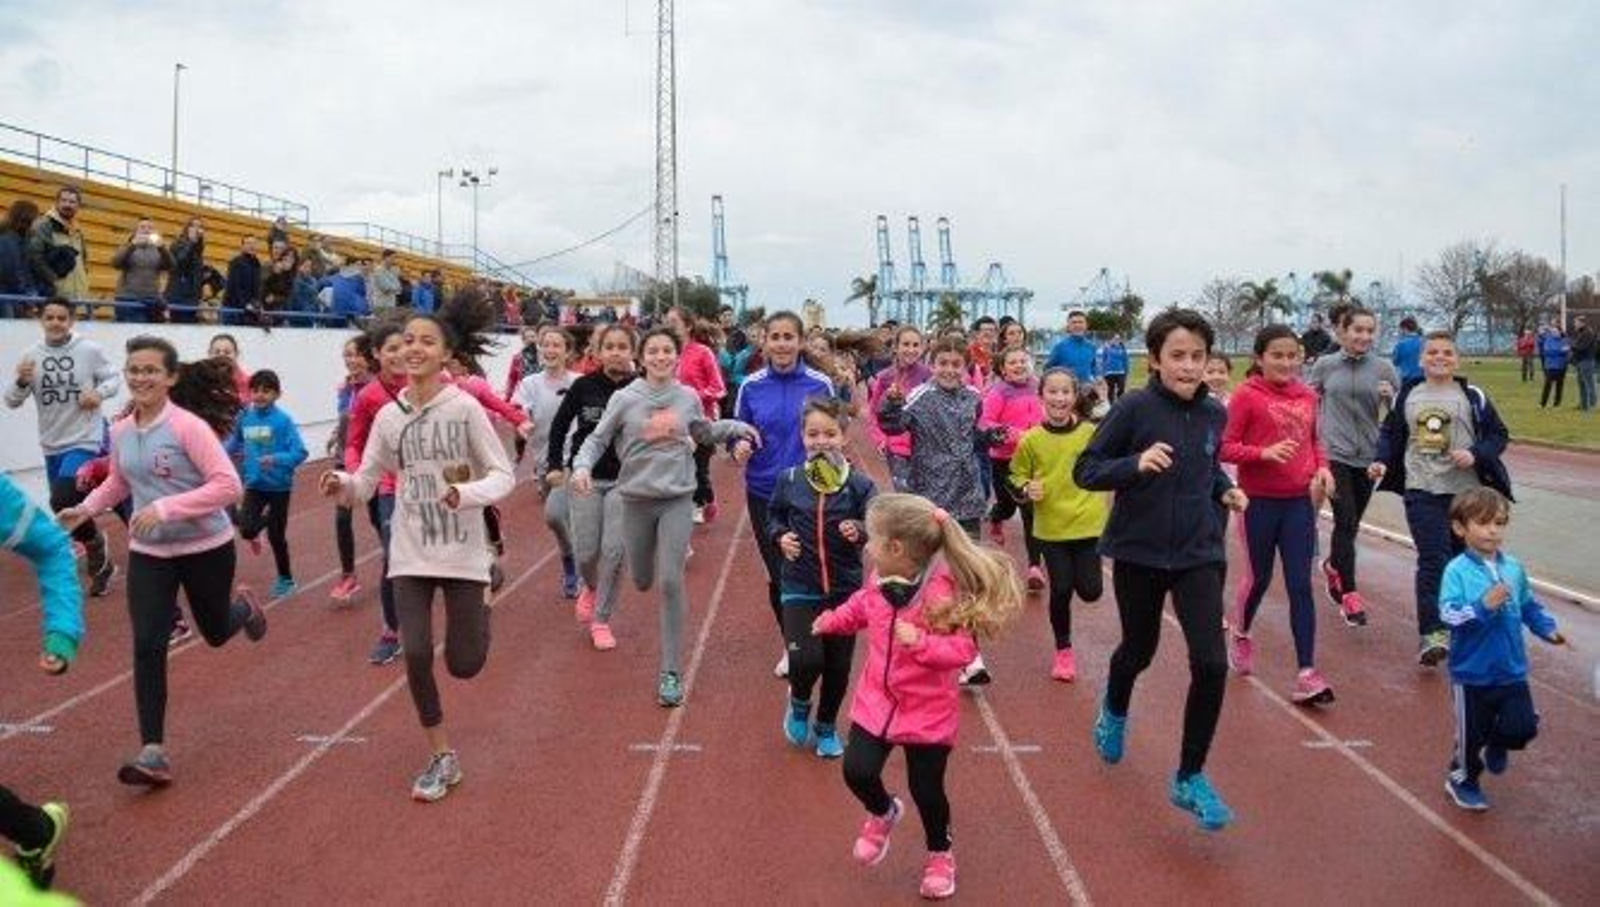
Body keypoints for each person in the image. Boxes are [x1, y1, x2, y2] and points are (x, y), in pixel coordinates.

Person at [320, 294, 515, 802]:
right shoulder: (388, 417)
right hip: (410, 551)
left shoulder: (466, 408)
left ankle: (486, 590)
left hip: (462, 552)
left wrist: (465, 494)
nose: (414, 349)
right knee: (417, 652)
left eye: (427, 341)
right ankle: (441, 755)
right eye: (407, 340)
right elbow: (366, 483)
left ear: (447, 354)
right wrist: (340, 483)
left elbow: (503, 474)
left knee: (465, 664)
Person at [60, 337, 268, 786]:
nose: (140, 378)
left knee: (214, 632)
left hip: (205, 547)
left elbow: (228, 486)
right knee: (148, 643)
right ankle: (153, 751)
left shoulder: (188, 427)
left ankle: (245, 609)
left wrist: (167, 508)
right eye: (134, 370)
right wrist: (87, 509)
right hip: (150, 553)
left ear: (170, 377)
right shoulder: (119, 430)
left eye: (151, 370)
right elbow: (119, 480)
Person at [1075, 308, 1248, 831]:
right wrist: (1134, 464)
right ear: (1154, 360)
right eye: (1178, 356)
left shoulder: (1215, 413)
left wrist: (1225, 489)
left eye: (1198, 356)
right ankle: (1115, 706)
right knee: (1139, 649)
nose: (1190, 366)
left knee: (1212, 663)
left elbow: (1209, 463)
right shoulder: (1133, 408)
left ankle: (1189, 775)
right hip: (1140, 552)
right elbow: (1087, 469)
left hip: (1199, 553)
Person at [813, 493, 1021, 901]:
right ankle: (883, 812)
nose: (867, 547)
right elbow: (861, 608)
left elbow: (963, 652)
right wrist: (832, 621)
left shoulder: (943, 593)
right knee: (857, 771)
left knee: (926, 790)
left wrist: (921, 643)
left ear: (895, 548)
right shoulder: (879, 581)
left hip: (927, 713)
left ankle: (940, 855)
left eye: (872, 540)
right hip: (878, 701)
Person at [570, 328, 758, 707]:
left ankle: (670, 671)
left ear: (677, 357)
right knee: (642, 579)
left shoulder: (687, 396)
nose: (659, 356)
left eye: (666, 351)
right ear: (642, 358)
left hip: (676, 499)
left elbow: (703, 432)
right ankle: (632, 581)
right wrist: (581, 466)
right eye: (652, 351)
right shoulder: (625, 398)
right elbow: (597, 438)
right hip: (635, 500)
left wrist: (735, 427)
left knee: (671, 581)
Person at [1371, 330, 1512, 667]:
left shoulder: (1472, 394)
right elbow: (1390, 433)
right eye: (1432, 352)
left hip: (1467, 495)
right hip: (1423, 489)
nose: (1439, 358)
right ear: (1421, 359)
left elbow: (1498, 435)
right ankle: (1432, 633)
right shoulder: (1409, 393)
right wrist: (1381, 459)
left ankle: (1470, 624)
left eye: (1447, 353)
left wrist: (1476, 454)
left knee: (1467, 562)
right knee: (1434, 559)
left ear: (1456, 359)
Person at [1221, 325, 1337, 704]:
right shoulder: (1246, 396)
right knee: (1259, 578)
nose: (1287, 362)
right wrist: (1262, 454)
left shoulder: (1308, 396)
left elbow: (1316, 441)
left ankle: (1307, 671)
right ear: (1259, 358)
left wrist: (1323, 469)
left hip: (1299, 502)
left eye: (1293, 355)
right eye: (1278, 355)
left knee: (1300, 584)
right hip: (1258, 502)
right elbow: (1223, 448)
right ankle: (1241, 631)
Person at [1438, 487, 1565, 811]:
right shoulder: (1456, 571)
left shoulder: (1514, 568)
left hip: (1511, 669)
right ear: (1460, 528)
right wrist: (1482, 606)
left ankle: (1500, 740)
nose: (1493, 530)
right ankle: (1462, 778)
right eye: (1482, 523)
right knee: (1470, 739)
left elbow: (1528, 605)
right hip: (1472, 675)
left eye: (1499, 522)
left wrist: (1546, 628)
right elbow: (1448, 614)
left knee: (1523, 727)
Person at [878, 337, 994, 687]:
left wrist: (991, 437)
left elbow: (973, 437)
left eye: (956, 364)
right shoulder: (920, 397)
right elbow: (893, 426)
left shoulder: (974, 398)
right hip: (931, 499)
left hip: (968, 497)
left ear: (965, 367)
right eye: (942, 362)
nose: (949, 369)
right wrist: (891, 404)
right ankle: (923, 638)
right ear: (934, 364)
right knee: (934, 576)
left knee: (969, 575)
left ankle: (970, 654)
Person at [767, 397, 876, 759]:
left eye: (830, 433)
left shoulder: (860, 485)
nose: (821, 440)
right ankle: (799, 702)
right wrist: (780, 536)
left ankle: (827, 727)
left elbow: (877, 525)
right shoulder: (790, 480)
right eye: (813, 433)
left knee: (837, 666)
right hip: (799, 585)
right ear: (802, 436)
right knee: (805, 660)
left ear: (844, 437)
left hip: (844, 590)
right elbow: (775, 517)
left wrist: (859, 530)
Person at [736, 311, 835, 678]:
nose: (781, 343)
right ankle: (791, 643)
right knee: (780, 572)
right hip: (764, 492)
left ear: (800, 341)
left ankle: (817, 633)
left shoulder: (820, 383)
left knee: (810, 566)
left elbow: (832, 431)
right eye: (774, 336)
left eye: (788, 336)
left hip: (811, 489)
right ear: (764, 342)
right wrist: (739, 445)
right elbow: (739, 430)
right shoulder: (751, 385)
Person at [4, 297, 121, 597]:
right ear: (41, 320)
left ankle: (94, 544)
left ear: (71, 320)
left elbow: (114, 378)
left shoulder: (89, 351)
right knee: (63, 502)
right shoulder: (31, 356)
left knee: (62, 497)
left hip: (85, 439)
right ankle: (99, 552)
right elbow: (11, 400)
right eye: (50, 317)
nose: (56, 323)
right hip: (52, 442)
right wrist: (20, 380)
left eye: (61, 317)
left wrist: (98, 393)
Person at [1011, 368, 1106, 681]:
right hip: (1051, 528)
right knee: (1062, 588)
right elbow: (1014, 475)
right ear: (1041, 397)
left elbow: (1114, 456)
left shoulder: (1090, 433)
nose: (1059, 398)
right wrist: (1026, 488)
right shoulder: (1031, 440)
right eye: (1052, 391)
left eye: (1066, 392)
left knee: (1091, 592)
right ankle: (1063, 651)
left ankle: (1066, 637)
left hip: (1088, 525)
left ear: (1074, 396)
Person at [547, 324, 636, 649]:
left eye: (622, 346)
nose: (615, 352)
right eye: (609, 346)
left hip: (625, 481)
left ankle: (601, 619)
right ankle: (591, 586)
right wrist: (555, 465)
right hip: (586, 477)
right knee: (587, 551)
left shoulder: (640, 389)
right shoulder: (584, 386)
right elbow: (559, 427)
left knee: (613, 550)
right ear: (598, 352)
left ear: (632, 352)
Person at [1307, 305, 1397, 627]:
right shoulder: (1325, 366)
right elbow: (1308, 403)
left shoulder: (1384, 368)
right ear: (1342, 332)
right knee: (1345, 522)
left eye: (1370, 331)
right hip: (1335, 455)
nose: (1364, 336)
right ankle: (1351, 595)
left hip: (1368, 459)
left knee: (1352, 524)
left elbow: (1397, 417)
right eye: (1357, 330)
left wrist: (1390, 398)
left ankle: (1334, 567)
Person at [344, 316, 411, 664]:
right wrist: (358, 478)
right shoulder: (369, 396)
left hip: (429, 485)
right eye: (392, 349)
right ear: (377, 353)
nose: (400, 355)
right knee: (392, 556)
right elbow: (353, 444)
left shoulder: (431, 382)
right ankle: (391, 632)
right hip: (386, 486)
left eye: (405, 346)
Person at [512, 324, 580, 598]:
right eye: (545, 344)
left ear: (567, 351)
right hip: (545, 461)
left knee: (554, 515)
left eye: (556, 345)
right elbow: (519, 410)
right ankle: (573, 557)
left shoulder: (578, 383)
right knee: (559, 519)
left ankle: (573, 565)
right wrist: (522, 422)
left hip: (573, 459)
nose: (550, 349)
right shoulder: (529, 384)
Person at [227, 370, 308, 599]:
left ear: (277, 394)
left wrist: (276, 459)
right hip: (255, 485)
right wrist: (214, 453)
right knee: (247, 529)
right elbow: (234, 441)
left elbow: (300, 452)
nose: (260, 395)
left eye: (266, 390)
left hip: (279, 488)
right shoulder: (245, 417)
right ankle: (259, 522)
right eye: (255, 390)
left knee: (276, 537)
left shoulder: (283, 421)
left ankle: (286, 579)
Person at [979, 347, 1044, 577]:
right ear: (1003, 370)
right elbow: (985, 422)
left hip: (1032, 461)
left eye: (1022, 361)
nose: (1019, 365)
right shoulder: (999, 392)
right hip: (1004, 460)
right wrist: (1016, 435)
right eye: (1012, 362)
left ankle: (1034, 566)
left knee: (1030, 510)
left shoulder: (1039, 387)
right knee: (1008, 507)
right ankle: (997, 516)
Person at [665, 308, 727, 524]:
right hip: (673, 421)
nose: (669, 325)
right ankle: (690, 502)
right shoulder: (666, 352)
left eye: (674, 321)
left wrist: (692, 397)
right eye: (667, 321)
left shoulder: (703, 352)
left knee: (698, 468)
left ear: (688, 325)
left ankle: (701, 502)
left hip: (701, 420)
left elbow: (719, 388)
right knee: (676, 467)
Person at [329, 337, 374, 604]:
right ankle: (348, 575)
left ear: (369, 357)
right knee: (342, 518)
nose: (351, 360)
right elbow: (346, 417)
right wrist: (337, 433)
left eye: (356, 354)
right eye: (347, 355)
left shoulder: (377, 387)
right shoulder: (345, 388)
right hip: (344, 459)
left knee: (379, 519)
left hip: (371, 461)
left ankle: (399, 562)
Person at [866, 325, 930, 493]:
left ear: (923, 348)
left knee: (924, 496)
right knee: (903, 494)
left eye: (916, 345)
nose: (911, 349)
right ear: (896, 347)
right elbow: (873, 411)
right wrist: (880, 438)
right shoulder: (885, 377)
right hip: (896, 449)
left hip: (923, 448)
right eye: (906, 344)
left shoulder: (929, 375)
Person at [25, 187, 89, 305]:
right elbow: (34, 257)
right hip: (54, 297)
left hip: (78, 296)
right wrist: (53, 280)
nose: (67, 205)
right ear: (57, 202)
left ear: (78, 205)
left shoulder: (78, 230)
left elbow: (83, 260)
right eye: (63, 200)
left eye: (72, 202)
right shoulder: (44, 224)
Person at [110, 218, 175, 323]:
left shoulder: (158, 250)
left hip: (152, 300)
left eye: (150, 228)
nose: (146, 230)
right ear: (136, 231)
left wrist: (162, 248)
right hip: (129, 300)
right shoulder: (127, 246)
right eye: (142, 227)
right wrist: (132, 245)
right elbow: (115, 263)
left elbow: (170, 265)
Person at [0, 199, 42, 318]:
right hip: (6, 300)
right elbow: (12, 274)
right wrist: (29, 298)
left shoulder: (22, 240)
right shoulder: (8, 240)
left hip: (13, 298)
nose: (39, 222)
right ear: (27, 218)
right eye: (37, 217)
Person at [165, 218, 206, 324]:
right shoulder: (177, 243)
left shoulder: (198, 249)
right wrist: (191, 242)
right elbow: (180, 263)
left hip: (192, 298)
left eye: (200, 226)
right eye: (194, 226)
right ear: (187, 228)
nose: (197, 229)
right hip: (178, 296)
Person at [1044, 310, 1100, 387]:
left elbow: (1094, 367)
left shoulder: (1091, 347)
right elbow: (1047, 369)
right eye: (1074, 322)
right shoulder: (1060, 347)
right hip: (1066, 392)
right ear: (1068, 326)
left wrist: (1098, 377)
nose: (1077, 325)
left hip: (1086, 391)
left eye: (1080, 322)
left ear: (1086, 325)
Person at [1537, 326, 1570, 408]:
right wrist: (1560, 351)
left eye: (1556, 331)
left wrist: (1560, 351)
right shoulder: (1548, 340)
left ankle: (1557, 403)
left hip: (1561, 366)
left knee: (1559, 385)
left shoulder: (1564, 340)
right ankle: (1543, 403)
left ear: (1560, 332)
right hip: (1550, 366)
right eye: (1552, 331)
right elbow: (1548, 352)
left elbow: (1567, 352)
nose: (1554, 333)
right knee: (1547, 385)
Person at [1572, 315, 1596, 412]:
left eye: (1576, 322)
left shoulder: (1588, 333)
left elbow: (1582, 347)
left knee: (1589, 383)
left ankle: (1592, 404)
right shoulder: (1581, 333)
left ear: (1582, 323)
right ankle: (1583, 405)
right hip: (1580, 361)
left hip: (1587, 361)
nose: (1575, 324)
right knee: (1581, 383)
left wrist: (1571, 347)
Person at [1391, 316, 1423, 384]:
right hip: (1423, 379)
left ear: (1405, 329)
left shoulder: (1400, 344)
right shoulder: (1424, 342)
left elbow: (1395, 361)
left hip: (1407, 379)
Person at [1099, 334, 1130, 403]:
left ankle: (1120, 402)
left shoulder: (1122, 349)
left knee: (1121, 388)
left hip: (1121, 372)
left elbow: (1125, 360)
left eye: (1118, 339)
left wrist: (1127, 371)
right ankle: (1111, 404)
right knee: (1111, 389)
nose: (1116, 340)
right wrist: (1103, 372)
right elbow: (1103, 360)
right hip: (1109, 373)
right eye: (1115, 339)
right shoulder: (1106, 348)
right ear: (1111, 340)